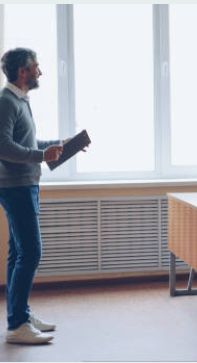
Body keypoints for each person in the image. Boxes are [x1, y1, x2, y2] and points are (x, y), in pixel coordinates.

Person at [0, 48, 64, 344]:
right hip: (16, 187)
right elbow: (3, 147)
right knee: (31, 252)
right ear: (22, 71)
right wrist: (41, 155)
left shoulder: (20, 101)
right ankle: (17, 325)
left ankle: (20, 314)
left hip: (25, 184)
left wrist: (58, 145)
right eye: (36, 67)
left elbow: (26, 142)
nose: (40, 72)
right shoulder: (6, 102)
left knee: (19, 253)